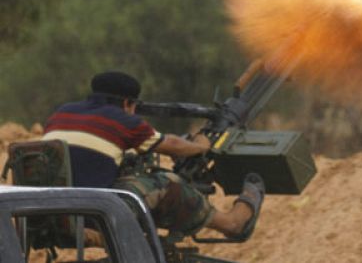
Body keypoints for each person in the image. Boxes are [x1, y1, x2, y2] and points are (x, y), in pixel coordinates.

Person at [41, 71, 265, 240]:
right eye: (134, 106)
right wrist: (200, 146)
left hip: (49, 213)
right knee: (166, 184)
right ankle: (231, 224)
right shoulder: (122, 119)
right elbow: (171, 144)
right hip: (93, 213)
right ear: (128, 103)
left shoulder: (63, 112)